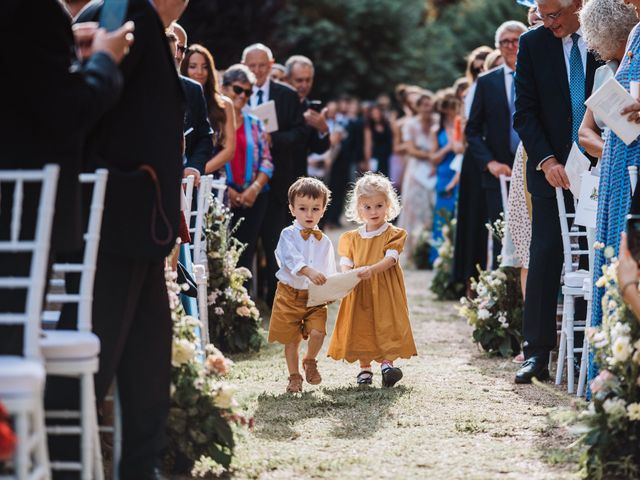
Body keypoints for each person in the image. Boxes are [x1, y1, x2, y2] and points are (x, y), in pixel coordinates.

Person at [71, 0, 189, 477]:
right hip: (111, 224)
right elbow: (83, 106)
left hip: (144, 229)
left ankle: (140, 469)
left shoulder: (150, 24)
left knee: (148, 368)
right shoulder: (117, 11)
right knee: (92, 365)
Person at [0, 0, 132, 354]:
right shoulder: (33, 11)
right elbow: (67, 112)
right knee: (13, 343)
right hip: (17, 215)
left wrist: (68, 49)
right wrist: (104, 60)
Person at [513, 0, 600, 385]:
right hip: (551, 171)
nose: (547, 23)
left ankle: (590, 350)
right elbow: (525, 112)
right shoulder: (532, 45)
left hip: (598, 171)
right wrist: (548, 161)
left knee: (595, 258)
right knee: (546, 256)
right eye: (542, 15)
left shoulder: (603, 37)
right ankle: (536, 354)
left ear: (577, 6)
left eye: (554, 15)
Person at [327, 173, 417, 387]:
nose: (374, 211)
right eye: (367, 207)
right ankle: (365, 369)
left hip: (384, 288)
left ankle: (387, 365)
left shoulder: (393, 234)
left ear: (388, 204)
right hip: (360, 289)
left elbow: (390, 259)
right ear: (359, 208)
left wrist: (370, 269)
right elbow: (346, 261)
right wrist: (349, 273)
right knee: (361, 325)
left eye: (379, 205)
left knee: (386, 323)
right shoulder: (352, 238)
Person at [590, 0, 640, 382]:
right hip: (618, 160)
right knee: (612, 257)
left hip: (635, 160)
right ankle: (611, 370)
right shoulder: (636, 32)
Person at [242, 43, 307, 304]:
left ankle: (276, 301)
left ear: (271, 65)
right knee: (245, 245)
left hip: (278, 183)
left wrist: (273, 139)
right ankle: (243, 300)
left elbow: (301, 134)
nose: (256, 71)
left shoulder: (287, 96)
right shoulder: (237, 93)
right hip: (244, 182)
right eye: (251, 66)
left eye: (261, 66)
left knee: (275, 244)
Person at [466, 21, 527, 267]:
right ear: (498, 47)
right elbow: (472, 130)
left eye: (516, 40)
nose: (511, 46)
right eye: (505, 41)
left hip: (534, 166)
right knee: (501, 234)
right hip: (498, 171)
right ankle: (503, 296)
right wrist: (490, 162)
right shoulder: (486, 82)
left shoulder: (538, 75)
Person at [268, 177, 336, 393]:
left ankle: (310, 360)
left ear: (323, 210)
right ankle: (294, 376)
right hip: (289, 294)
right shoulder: (287, 234)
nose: (309, 214)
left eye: (315, 209)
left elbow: (328, 268)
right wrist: (308, 271)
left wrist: (331, 288)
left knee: (318, 332)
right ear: (292, 209)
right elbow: (290, 259)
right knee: (292, 339)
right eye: (303, 208)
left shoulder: (324, 240)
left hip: (314, 296)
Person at [220, 65, 273, 275]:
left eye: (248, 92)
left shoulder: (255, 124)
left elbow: (267, 160)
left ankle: (243, 303)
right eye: (237, 89)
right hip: (222, 195)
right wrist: (227, 190)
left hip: (254, 197)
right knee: (221, 251)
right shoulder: (216, 122)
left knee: (246, 252)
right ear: (224, 88)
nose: (243, 96)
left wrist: (255, 188)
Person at [452, 46, 493, 289]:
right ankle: (469, 278)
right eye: (476, 69)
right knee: (473, 218)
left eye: (484, 67)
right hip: (476, 157)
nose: (481, 72)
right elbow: (468, 131)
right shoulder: (471, 93)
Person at [578, 0, 636, 159]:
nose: (591, 45)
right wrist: (613, 156)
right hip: (611, 169)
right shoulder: (603, 73)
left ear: (605, 30)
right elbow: (584, 132)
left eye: (590, 33)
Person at [180, 44, 236, 174]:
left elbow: (229, 150)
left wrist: (197, 170)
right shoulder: (179, 101)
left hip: (211, 177)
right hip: (181, 175)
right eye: (193, 66)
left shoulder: (224, 104)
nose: (199, 72)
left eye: (205, 67)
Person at [166, 33, 213, 181]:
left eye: (181, 49)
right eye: (174, 50)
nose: (178, 55)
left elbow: (204, 137)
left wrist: (193, 167)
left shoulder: (193, 89)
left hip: (183, 184)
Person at [396, 92, 436, 260]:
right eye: (424, 105)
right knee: (413, 208)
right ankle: (413, 251)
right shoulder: (410, 124)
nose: (428, 108)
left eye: (430, 104)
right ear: (418, 107)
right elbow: (410, 149)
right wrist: (430, 156)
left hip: (434, 169)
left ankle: (429, 249)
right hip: (416, 169)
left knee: (431, 208)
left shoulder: (437, 121)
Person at [430, 91, 463, 264]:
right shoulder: (437, 131)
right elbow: (433, 158)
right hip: (444, 172)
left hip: (459, 171)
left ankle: (454, 255)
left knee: (457, 212)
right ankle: (439, 256)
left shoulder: (461, 125)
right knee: (442, 214)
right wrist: (446, 148)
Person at [284, 55, 330, 180]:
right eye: (299, 80)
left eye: (308, 80)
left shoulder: (310, 108)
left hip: (298, 177)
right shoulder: (277, 104)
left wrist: (323, 130)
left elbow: (319, 149)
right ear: (287, 79)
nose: (304, 85)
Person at [364, 103, 393, 176]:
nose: (376, 115)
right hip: (375, 157)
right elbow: (368, 145)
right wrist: (368, 161)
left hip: (387, 157)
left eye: (377, 113)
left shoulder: (388, 125)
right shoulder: (369, 127)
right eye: (373, 113)